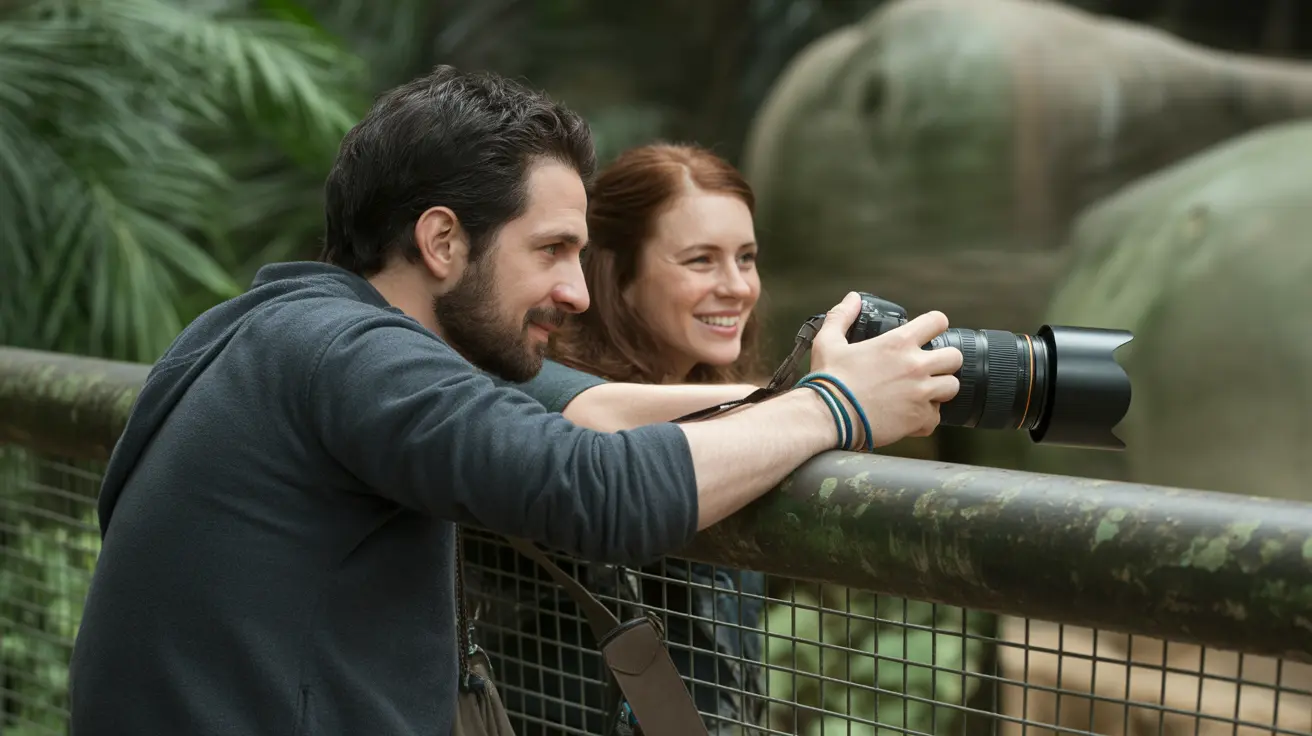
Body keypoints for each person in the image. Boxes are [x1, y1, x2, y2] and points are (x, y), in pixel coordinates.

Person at [66, 65, 962, 736]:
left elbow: (584, 411)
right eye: (552, 250)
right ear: (443, 241)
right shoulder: (348, 355)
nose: (577, 292)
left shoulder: (263, 324)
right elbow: (598, 491)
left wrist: (816, 389)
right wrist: (833, 409)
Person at [468, 142, 775, 735]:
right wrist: (827, 401)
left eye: (747, 257)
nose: (737, 286)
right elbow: (600, 420)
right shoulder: (525, 377)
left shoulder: (747, 416)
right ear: (619, 275)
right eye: (701, 261)